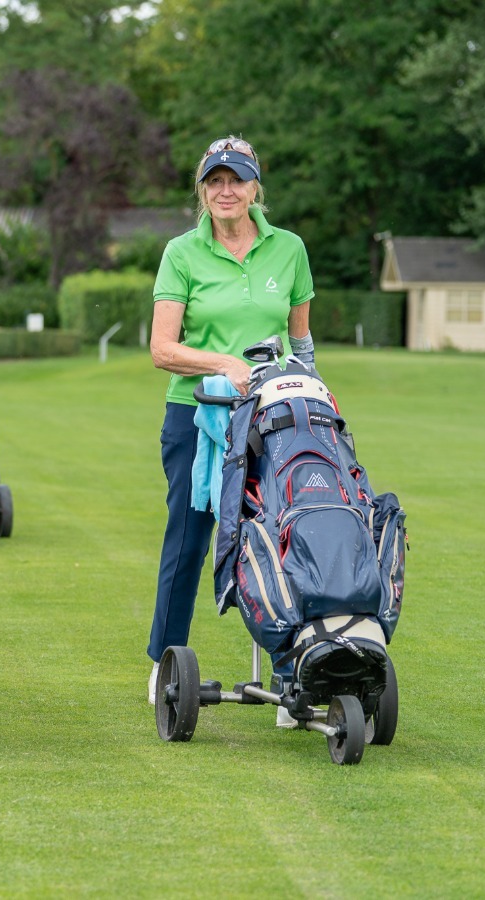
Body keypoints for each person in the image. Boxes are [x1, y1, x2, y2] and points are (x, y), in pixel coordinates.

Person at [145, 136, 315, 723]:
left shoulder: (288, 249)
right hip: (196, 415)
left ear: (254, 187)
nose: (225, 191)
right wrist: (222, 363)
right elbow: (162, 349)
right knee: (190, 539)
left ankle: (291, 673)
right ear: (202, 189)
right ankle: (165, 660)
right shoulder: (182, 253)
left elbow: (301, 340)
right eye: (214, 180)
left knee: (282, 537)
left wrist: (312, 396)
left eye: (236, 180)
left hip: (272, 418)